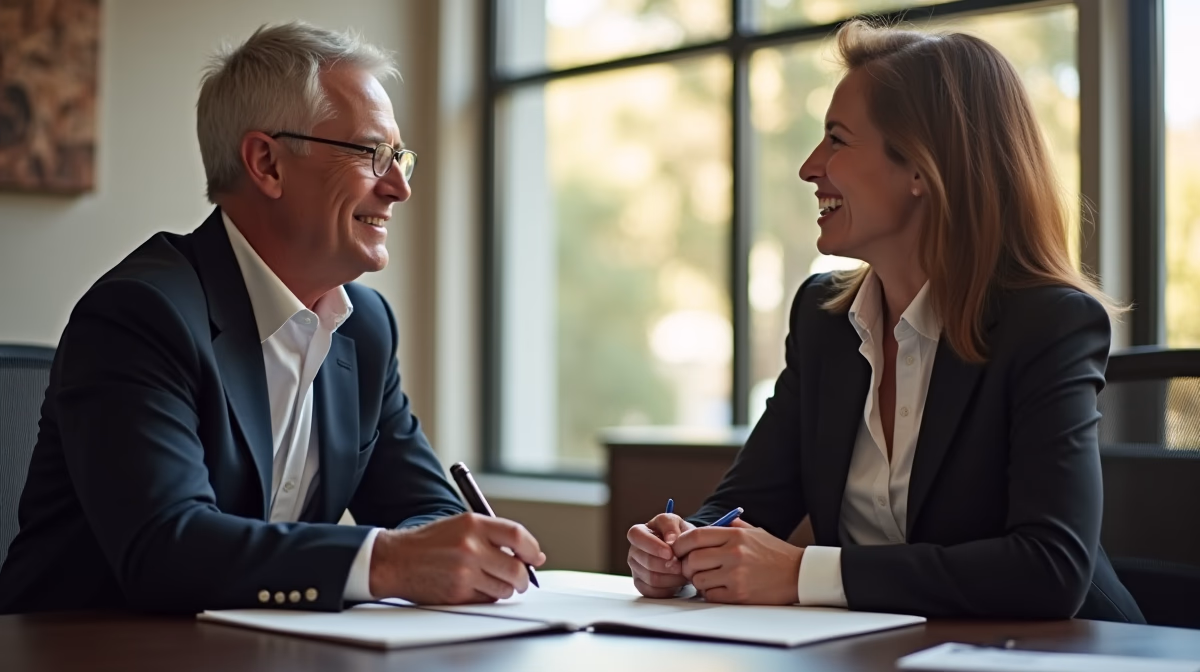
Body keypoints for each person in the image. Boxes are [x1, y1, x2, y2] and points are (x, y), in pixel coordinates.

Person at [0, 22, 544, 614]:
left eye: (400, 157)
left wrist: (447, 552)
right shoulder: (141, 314)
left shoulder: (364, 327)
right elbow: (166, 548)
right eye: (372, 153)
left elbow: (429, 512)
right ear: (267, 163)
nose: (399, 187)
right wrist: (387, 562)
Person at [627, 20, 1143, 623]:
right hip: (891, 651)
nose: (809, 167)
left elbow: (1048, 567)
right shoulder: (824, 321)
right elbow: (746, 506)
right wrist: (684, 546)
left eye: (837, 141)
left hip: (1066, 653)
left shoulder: (1048, 324)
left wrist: (801, 571)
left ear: (922, 170)